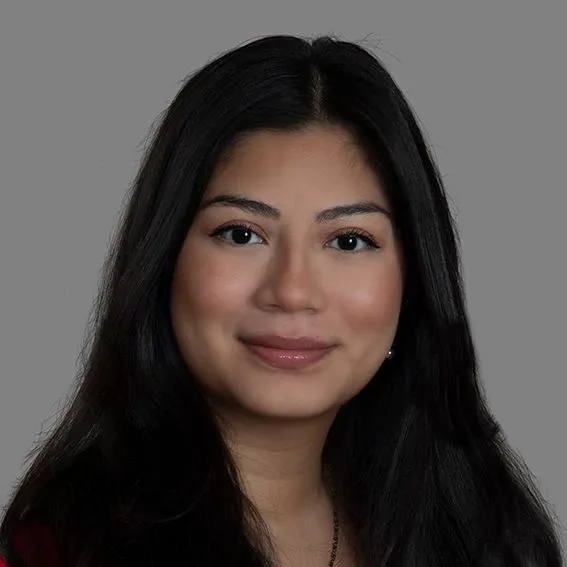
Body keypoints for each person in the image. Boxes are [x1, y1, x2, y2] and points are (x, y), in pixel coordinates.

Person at [0, 33, 563, 567]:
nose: (292, 291)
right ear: (164, 260)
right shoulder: (52, 554)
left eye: (348, 241)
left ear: (414, 281)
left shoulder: (486, 540)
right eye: (242, 234)